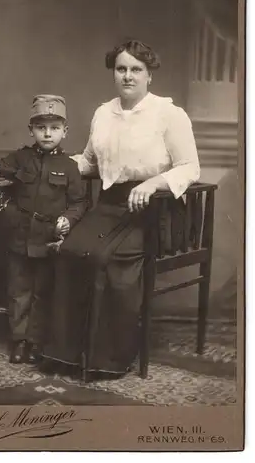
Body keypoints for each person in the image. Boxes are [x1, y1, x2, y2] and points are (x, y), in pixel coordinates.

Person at [42, 40, 200, 378]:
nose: (128, 76)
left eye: (136, 69)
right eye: (121, 69)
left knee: (106, 260)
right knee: (70, 251)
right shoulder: (104, 113)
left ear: (149, 75)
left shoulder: (169, 114)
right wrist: (52, 165)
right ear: (114, 72)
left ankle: (108, 359)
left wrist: (151, 183)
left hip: (155, 208)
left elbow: (189, 167)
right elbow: (88, 162)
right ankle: (67, 353)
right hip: (111, 204)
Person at [0, 94, 87, 364]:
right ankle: (19, 341)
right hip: (20, 235)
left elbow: (79, 202)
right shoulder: (21, 158)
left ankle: (36, 343)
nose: (47, 133)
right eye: (41, 127)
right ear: (31, 130)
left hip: (49, 238)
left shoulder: (70, 167)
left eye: (54, 128)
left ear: (65, 131)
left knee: (43, 292)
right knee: (19, 291)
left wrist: (68, 220)